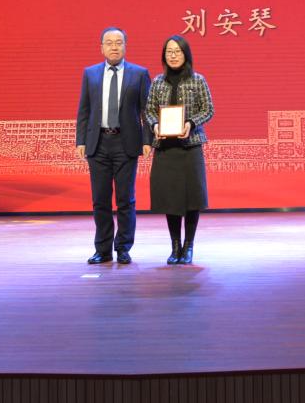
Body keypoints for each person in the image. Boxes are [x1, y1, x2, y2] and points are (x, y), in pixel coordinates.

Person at [76, 27, 151, 264]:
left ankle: (123, 248)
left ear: (125, 46)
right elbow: (84, 110)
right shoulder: (90, 74)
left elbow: (146, 111)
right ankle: (103, 249)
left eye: (119, 42)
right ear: (101, 48)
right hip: (98, 143)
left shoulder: (139, 74)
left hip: (125, 143)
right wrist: (81, 140)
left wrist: (147, 140)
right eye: (109, 43)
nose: (114, 47)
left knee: (125, 199)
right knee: (100, 199)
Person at [144, 35, 214, 265]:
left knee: (192, 198)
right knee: (170, 198)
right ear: (164, 56)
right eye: (169, 51)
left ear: (186, 54)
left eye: (177, 51)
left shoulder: (198, 80)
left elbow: (208, 109)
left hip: (190, 146)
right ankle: (175, 246)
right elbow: (149, 110)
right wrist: (155, 125)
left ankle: (188, 246)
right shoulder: (157, 82)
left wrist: (191, 123)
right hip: (166, 149)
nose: (173, 55)